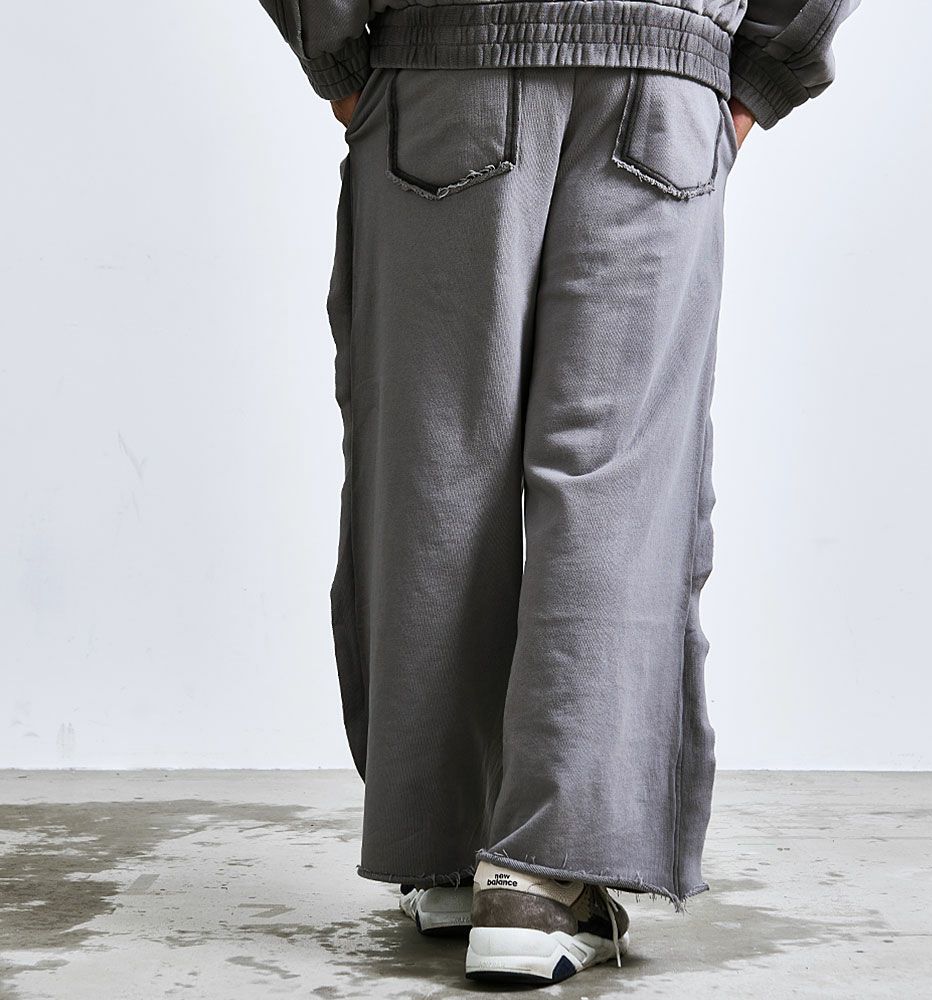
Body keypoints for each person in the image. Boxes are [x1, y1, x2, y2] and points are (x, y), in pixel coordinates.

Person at [258, 0, 858, 986]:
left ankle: (449, 851)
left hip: (444, 65)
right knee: (615, 484)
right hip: (660, 76)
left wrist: (339, 55)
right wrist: (758, 71)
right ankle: (539, 877)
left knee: (437, 466)